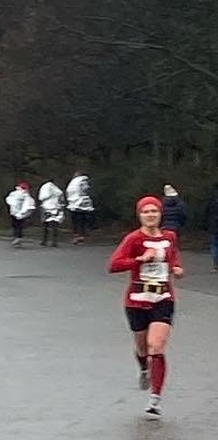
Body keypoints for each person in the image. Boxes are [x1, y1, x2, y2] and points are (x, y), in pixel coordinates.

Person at [108, 195, 182, 418]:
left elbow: (174, 258)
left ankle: (155, 399)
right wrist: (140, 260)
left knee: (156, 346)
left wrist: (177, 268)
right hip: (137, 300)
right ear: (140, 215)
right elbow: (113, 265)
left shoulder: (170, 236)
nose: (150, 215)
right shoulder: (133, 239)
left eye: (154, 211)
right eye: (146, 212)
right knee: (142, 349)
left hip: (163, 298)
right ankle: (143, 368)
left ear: (160, 214)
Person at [66, 169, 95, 244]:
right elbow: (87, 190)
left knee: (76, 221)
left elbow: (68, 192)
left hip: (74, 204)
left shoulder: (73, 182)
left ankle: (77, 236)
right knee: (82, 221)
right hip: (84, 203)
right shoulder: (84, 181)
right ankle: (81, 236)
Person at [6, 181, 35, 247]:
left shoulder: (14, 194)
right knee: (19, 226)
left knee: (15, 226)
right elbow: (29, 205)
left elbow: (9, 200)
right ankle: (18, 238)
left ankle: (16, 238)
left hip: (14, 212)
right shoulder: (26, 196)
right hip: (21, 214)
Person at [37, 178, 64, 247]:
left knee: (45, 224)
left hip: (46, 207)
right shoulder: (57, 189)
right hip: (55, 207)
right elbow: (61, 197)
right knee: (54, 224)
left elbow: (41, 197)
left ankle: (44, 241)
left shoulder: (44, 187)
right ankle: (54, 241)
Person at [205, 181, 218, 271]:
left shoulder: (212, 199)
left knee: (214, 245)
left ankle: (216, 264)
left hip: (213, 225)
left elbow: (207, 212)